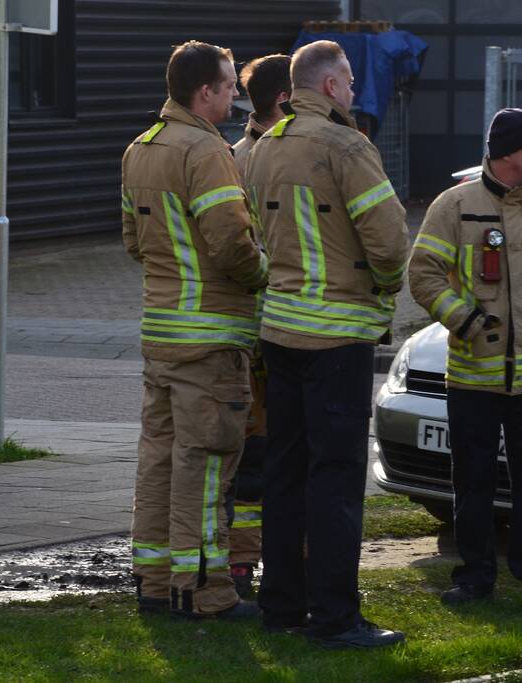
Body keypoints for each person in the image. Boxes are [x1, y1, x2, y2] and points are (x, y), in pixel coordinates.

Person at [244, 40, 409, 648]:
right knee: (335, 480)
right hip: (337, 335)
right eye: (350, 79)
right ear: (332, 86)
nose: (356, 90)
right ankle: (336, 619)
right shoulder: (347, 145)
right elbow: (390, 242)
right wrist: (386, 290)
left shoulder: (264, 146)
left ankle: (281, 607)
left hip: (279, 333)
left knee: (285, 474)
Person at [407, 108, 522, 609]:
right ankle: (474, 579)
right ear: (507, 152)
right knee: (472, 486)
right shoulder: (454, 206)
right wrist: (464, 321)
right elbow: (423, 274)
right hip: (472, 380)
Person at [120, 40, 268, 619]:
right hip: (212, 340)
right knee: (205, 466)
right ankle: (205, 593)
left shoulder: (141, 148)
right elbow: (231, 241)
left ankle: (155, 584)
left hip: (161, 335)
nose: (235, 95)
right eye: (230, 85)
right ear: (204, 91)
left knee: (158, 459)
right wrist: (264, 278)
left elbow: (134, 242)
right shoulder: (206, 151)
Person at [226, 53, 291, 599]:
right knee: (265, 451)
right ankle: (251, 561)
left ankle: (245, 562)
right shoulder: (281, 157)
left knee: (258, 452)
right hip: (274, 330)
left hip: (258, 327)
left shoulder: (233, 156)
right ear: (285, 100)